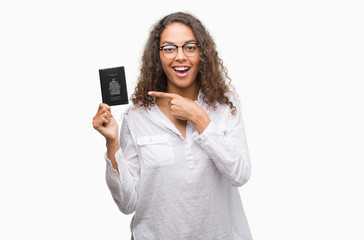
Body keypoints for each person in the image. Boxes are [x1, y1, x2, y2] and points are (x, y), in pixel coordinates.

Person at [92, 12, 253, 240]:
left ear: (202, 53)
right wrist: (112, 143)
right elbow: (128, 203)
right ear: (158, 57)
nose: (180, 56)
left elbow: (240, 174)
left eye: (189, 47)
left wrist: (200, 118)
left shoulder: (225, 107)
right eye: (169, 48)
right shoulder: (137, 117)